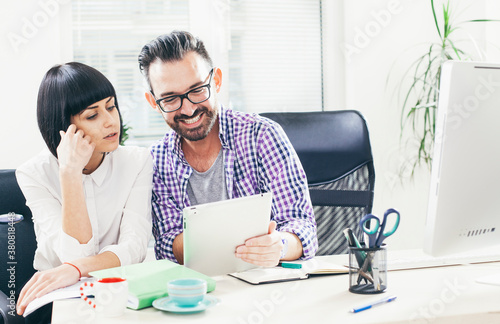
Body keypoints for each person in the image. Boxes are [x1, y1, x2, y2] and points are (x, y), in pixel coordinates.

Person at [138, 30, 318, 267]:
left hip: (265, 284)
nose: (189, 109)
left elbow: (302, 228)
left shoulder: (262, 136)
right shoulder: (156, 161)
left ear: (217, 81)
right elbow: (166, 245)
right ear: (154, 102)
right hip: (199, 290)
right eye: (170, 99)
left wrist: (279, 246)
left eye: (197, 90)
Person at [15, 62, 153, 320]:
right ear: (64, 126)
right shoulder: (33, 174)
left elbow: (135, 247)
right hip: (60, 295)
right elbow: (74, 254)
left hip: (120, 289)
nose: (111, 121)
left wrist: (77, 270)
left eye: (111, 106)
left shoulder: (137, 161)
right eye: (93, 115)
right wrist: (70, 172)